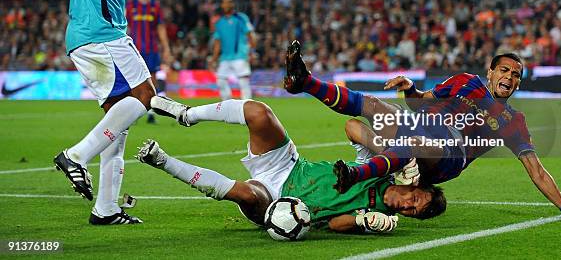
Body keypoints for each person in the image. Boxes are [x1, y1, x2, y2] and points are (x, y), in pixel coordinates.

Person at [283, 40, 561, 222]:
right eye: (505, 70)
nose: (510, 76)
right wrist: (411, 89)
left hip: (448, 155)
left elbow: (536, 170)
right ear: (491, 72)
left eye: (516, 75)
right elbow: (420, 104)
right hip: (421, 125)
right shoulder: (464, 81)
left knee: (415, 143)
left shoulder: (513, 121)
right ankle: (304, 82)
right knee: (373, 107)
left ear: (519, 83)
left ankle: (359, 174)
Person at [141, 96, 446, 232]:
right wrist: (392, 157)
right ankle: (187, 115)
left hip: (282, 204)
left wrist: (364, 222)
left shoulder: (381, 215)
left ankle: (163, 161)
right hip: (289, 165)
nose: (407, 206)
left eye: (412, 212)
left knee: (246, 194)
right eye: (415, 199)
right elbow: (353, 126)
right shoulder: (377, 172)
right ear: (415, 185)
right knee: (259, 112)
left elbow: (337, 224)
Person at [52, 0, 156, 225]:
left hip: (102, 36)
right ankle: (75, 156)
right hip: (101, 35)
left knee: (118, 124)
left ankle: (106, 208)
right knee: (144, 94)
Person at [126, 0, 172, 123]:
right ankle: (134, 113)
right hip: (134, 49)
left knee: (151, 81)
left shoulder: (155, 6)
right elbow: (124, 26)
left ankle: (151, 113)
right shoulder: (130, 6)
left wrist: (166, 48)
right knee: (133, 81)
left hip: (151, 49)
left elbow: (160, 28)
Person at [210, 0, 255, 100]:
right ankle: (228, 105)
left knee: (243, 82)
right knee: (220, 80)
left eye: (228, 2)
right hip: (225, 57)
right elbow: (217, 43)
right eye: (224, 3)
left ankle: (247, 106)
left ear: (232, 4)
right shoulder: (219, 23)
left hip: (240, 55)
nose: (226, 5)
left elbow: (250, 35)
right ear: (222, 5)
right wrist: (214, 59)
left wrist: (251, 52)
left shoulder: (241, 18)